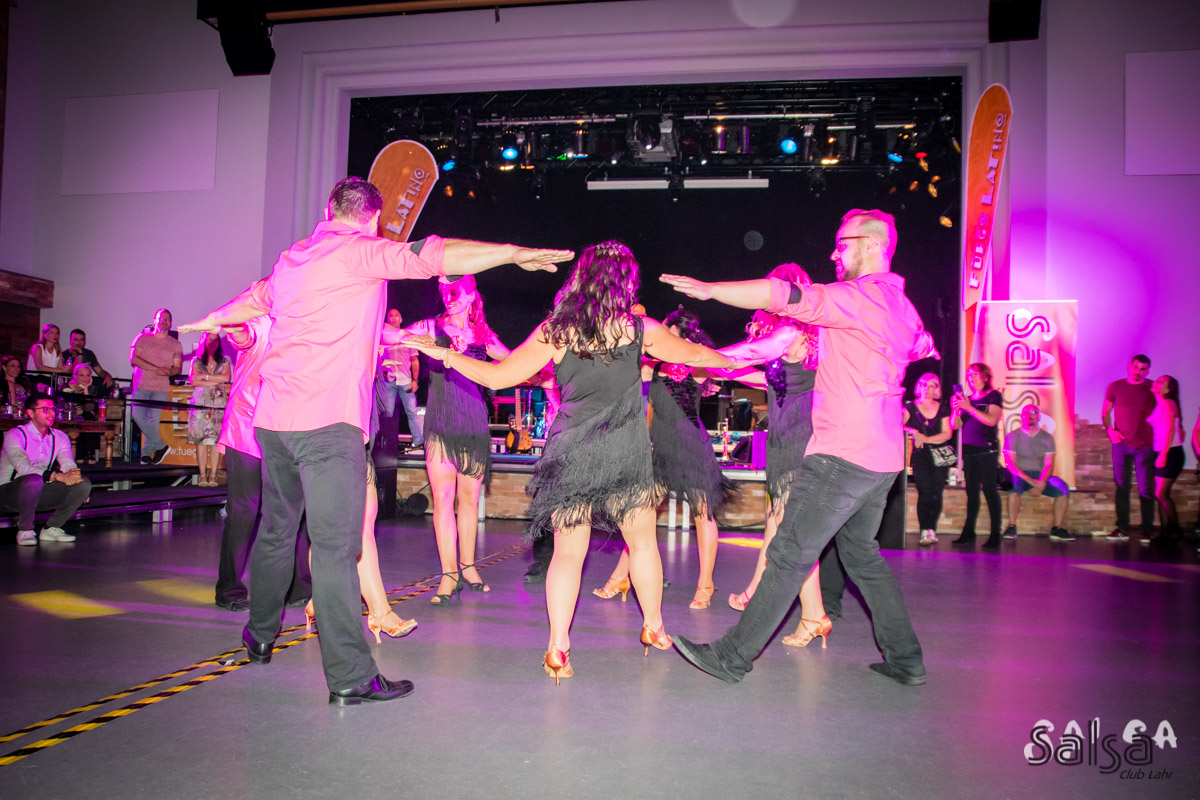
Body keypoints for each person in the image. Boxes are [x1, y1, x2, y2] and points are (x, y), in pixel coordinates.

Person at [180, 176, 572, 705]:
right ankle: (349, 675)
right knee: (336, 547)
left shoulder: (292, 259)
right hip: (327, 424)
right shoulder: (362, 252)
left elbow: (251, 301)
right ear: (373, 219)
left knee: (276, 530)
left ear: (328, 210)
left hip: (272, 421)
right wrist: (512, 253)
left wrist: (210, 319)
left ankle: (260, 634)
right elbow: (436, 254)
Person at [405, 240, 734, 682]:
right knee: (642, 544)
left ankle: (558, 646)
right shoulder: (639, 329)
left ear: (581, 279)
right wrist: (738, 359)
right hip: (624, 450)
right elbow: (695, 355)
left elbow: (499, 377)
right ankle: (653, 626)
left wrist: (446, 355)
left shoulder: (556, 331)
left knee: (567, 553)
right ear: (627, 283)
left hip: (571, 450)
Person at [660, 208, 938, 687]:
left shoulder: (857, 297)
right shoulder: (904, 306)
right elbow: (919, 345)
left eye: (843, 244)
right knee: (862, 556)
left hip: (843, 453)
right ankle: (905, 659)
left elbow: (781, 295)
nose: (834, 253)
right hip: (885, 458)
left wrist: (710, 289)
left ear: (873, 245)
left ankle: (732, 656)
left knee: (789, 552)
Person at [715, 265, 833, 648]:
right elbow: (767, 377)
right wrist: (722, 371)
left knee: (792, 535)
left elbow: (749, 353)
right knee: (777, 525)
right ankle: (757, 591)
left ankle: (814, 616)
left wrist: (703, 356)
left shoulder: (790, 333)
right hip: (790, 441)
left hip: (797, 443)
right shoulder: (806, 339)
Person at [592, 307, 735, 611]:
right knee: (640, 515)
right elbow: (624, 370)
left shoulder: (695, 364)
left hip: (692, 446)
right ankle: (621, 576)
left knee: (703, 514)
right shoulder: (652, 366)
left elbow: (718, 367)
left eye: (667, 328)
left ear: (679, 331)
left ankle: (706, 584)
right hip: (660, 449)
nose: (659, 334)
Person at [401, 275, 509, 604]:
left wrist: (547, 371)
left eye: (457, 292)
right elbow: (398, 335)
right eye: (446, 292)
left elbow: (512, 360)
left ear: (471, 296)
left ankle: (468, 567)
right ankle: (449, 575)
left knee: (469, 501)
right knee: (443, 499)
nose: (450, 298)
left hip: (473, 422)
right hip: (440, 423)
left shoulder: (483, 335)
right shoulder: (431, 328)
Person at [211, 315, 311, 613]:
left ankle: (298, 586)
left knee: (293, 510)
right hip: (247, 426)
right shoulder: (261, 321)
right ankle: (228, 588)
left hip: (285, 428)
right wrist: (232, 325)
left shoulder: (303, 319)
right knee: (243, 510)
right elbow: (245, 337)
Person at [1, 393, 92, 545]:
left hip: (38, 492)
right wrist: (55, 476)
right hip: (7, 494)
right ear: (31, 413)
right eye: (45, 409)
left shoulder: (60, 437)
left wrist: (75, 477)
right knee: (33, 479)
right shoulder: (15, 435)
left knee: (84, 484)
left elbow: (68, 464)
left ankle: (52, 527)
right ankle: (25, 530)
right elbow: (23, 467)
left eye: (52, 409)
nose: (51, 413)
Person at [1101, 355, 1156, 543]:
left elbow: (1166, 407)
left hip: (1145, 445)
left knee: (1146, 489)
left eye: (1143, 369)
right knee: (1122, 487)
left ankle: (1147, 530)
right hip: (1121, 444)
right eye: (1135, 367)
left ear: (1147, 371)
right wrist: (1110, 430)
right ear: (1129, 366)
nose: (1138, 372)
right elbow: (1105, 412)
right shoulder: (1115, 386)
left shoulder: (1152, 387)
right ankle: (1122, 528)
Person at [1002, 403, 1074, 542]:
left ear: (1039, 416)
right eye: (1026, 413)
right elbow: (1011, 464)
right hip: (1020, 475)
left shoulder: (1047, 438)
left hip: (1040, 476)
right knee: (1014, 485)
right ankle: (1011, 526)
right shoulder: (1013, 436)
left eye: (1034, 413)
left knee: (1063, 488)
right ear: (1022, 417)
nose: (1030, 416)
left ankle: (1057, 528)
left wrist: (1041, 482)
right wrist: (1033, 483)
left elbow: (1049, 464)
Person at [950, 363, 1003, 549]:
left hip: (987, 449)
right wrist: (956, 409)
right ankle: (968, 532)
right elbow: (955, 425)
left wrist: (969, 407)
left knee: (989, 490)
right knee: (971, 492)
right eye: (968, 375)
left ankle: (995, 533)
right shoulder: (968, 399)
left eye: (975, 374)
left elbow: (991, 420)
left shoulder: (993, 395)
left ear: (985, 376)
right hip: (969, 450)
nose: (971, 378)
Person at [904, 373, 953, 545]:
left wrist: (927, 439)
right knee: (924, 492)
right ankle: (925, 530)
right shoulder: (911, 407)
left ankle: (932, 529)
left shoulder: (943, 408)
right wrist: (912, 431)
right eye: (925, 384)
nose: (928, 388)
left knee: (936, 492)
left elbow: (947, 433)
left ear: (937, 389)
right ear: (920, 387)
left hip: (939, 455)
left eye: (933, 385)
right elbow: (897, 424)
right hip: (920, 456)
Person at [130, 309, 183, 465]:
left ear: (171, 323)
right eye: (161, 318)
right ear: (154, 321)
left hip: (161, 388)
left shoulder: (176, 344)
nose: (164, 321)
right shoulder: (142, 338)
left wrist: (169, 371)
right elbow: (134, 359)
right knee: (138, 416)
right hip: (141, 385)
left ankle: (146, 454)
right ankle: (161, 446)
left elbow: (177, 368)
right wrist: (156, 369)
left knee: (153, 423)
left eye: (167, 319)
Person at [186, 331, 231, 487]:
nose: (213, 342)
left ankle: (213, 476)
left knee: (215, 441)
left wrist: (204, 378)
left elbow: (226, 378)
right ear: (203, 341)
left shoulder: (224, 361)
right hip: (200, 403)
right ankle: (203, 476)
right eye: (209, 339)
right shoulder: (196, 361)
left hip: (218, 404)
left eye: (215, 340)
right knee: (201, 441)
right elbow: (193, 380)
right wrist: (215, 380)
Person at [373, 308, 423, 450]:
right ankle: (386, 445)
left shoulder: (407, 337)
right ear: (387, 320)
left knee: (412, 412)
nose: (393, 318)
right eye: (391, 316)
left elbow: (414, 360)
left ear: (401, 319)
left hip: (406, 381)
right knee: (387, 413)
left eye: (396, 316)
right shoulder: (382, 338)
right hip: (389, 381)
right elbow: (377, 359)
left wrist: (415, 380)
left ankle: (418, 442)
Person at [1149, 375, 1185, 545]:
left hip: (1170, 452)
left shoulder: (1168, 402)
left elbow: (1170, 428)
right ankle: (1165, 533)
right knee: (1161, 495)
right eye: (1157, 381)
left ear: (1168, 389)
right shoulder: (1161, 403)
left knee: (1161, 494)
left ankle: (1176, 531)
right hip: (1163, 451)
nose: (1156, 383)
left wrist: (1163, 454)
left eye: (1161, 382)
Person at [63, 363, 105, 462]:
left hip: (84, 416)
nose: (85, 378)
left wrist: (86, 390)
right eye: (81, 375)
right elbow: (66, 406)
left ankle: (89, 453)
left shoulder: (92, 388)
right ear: (75, 376)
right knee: (84, 418)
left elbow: (89, 408)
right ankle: (80, 454)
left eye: (88, 375)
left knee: (89, 417)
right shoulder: (66, 388)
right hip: (70, 416)